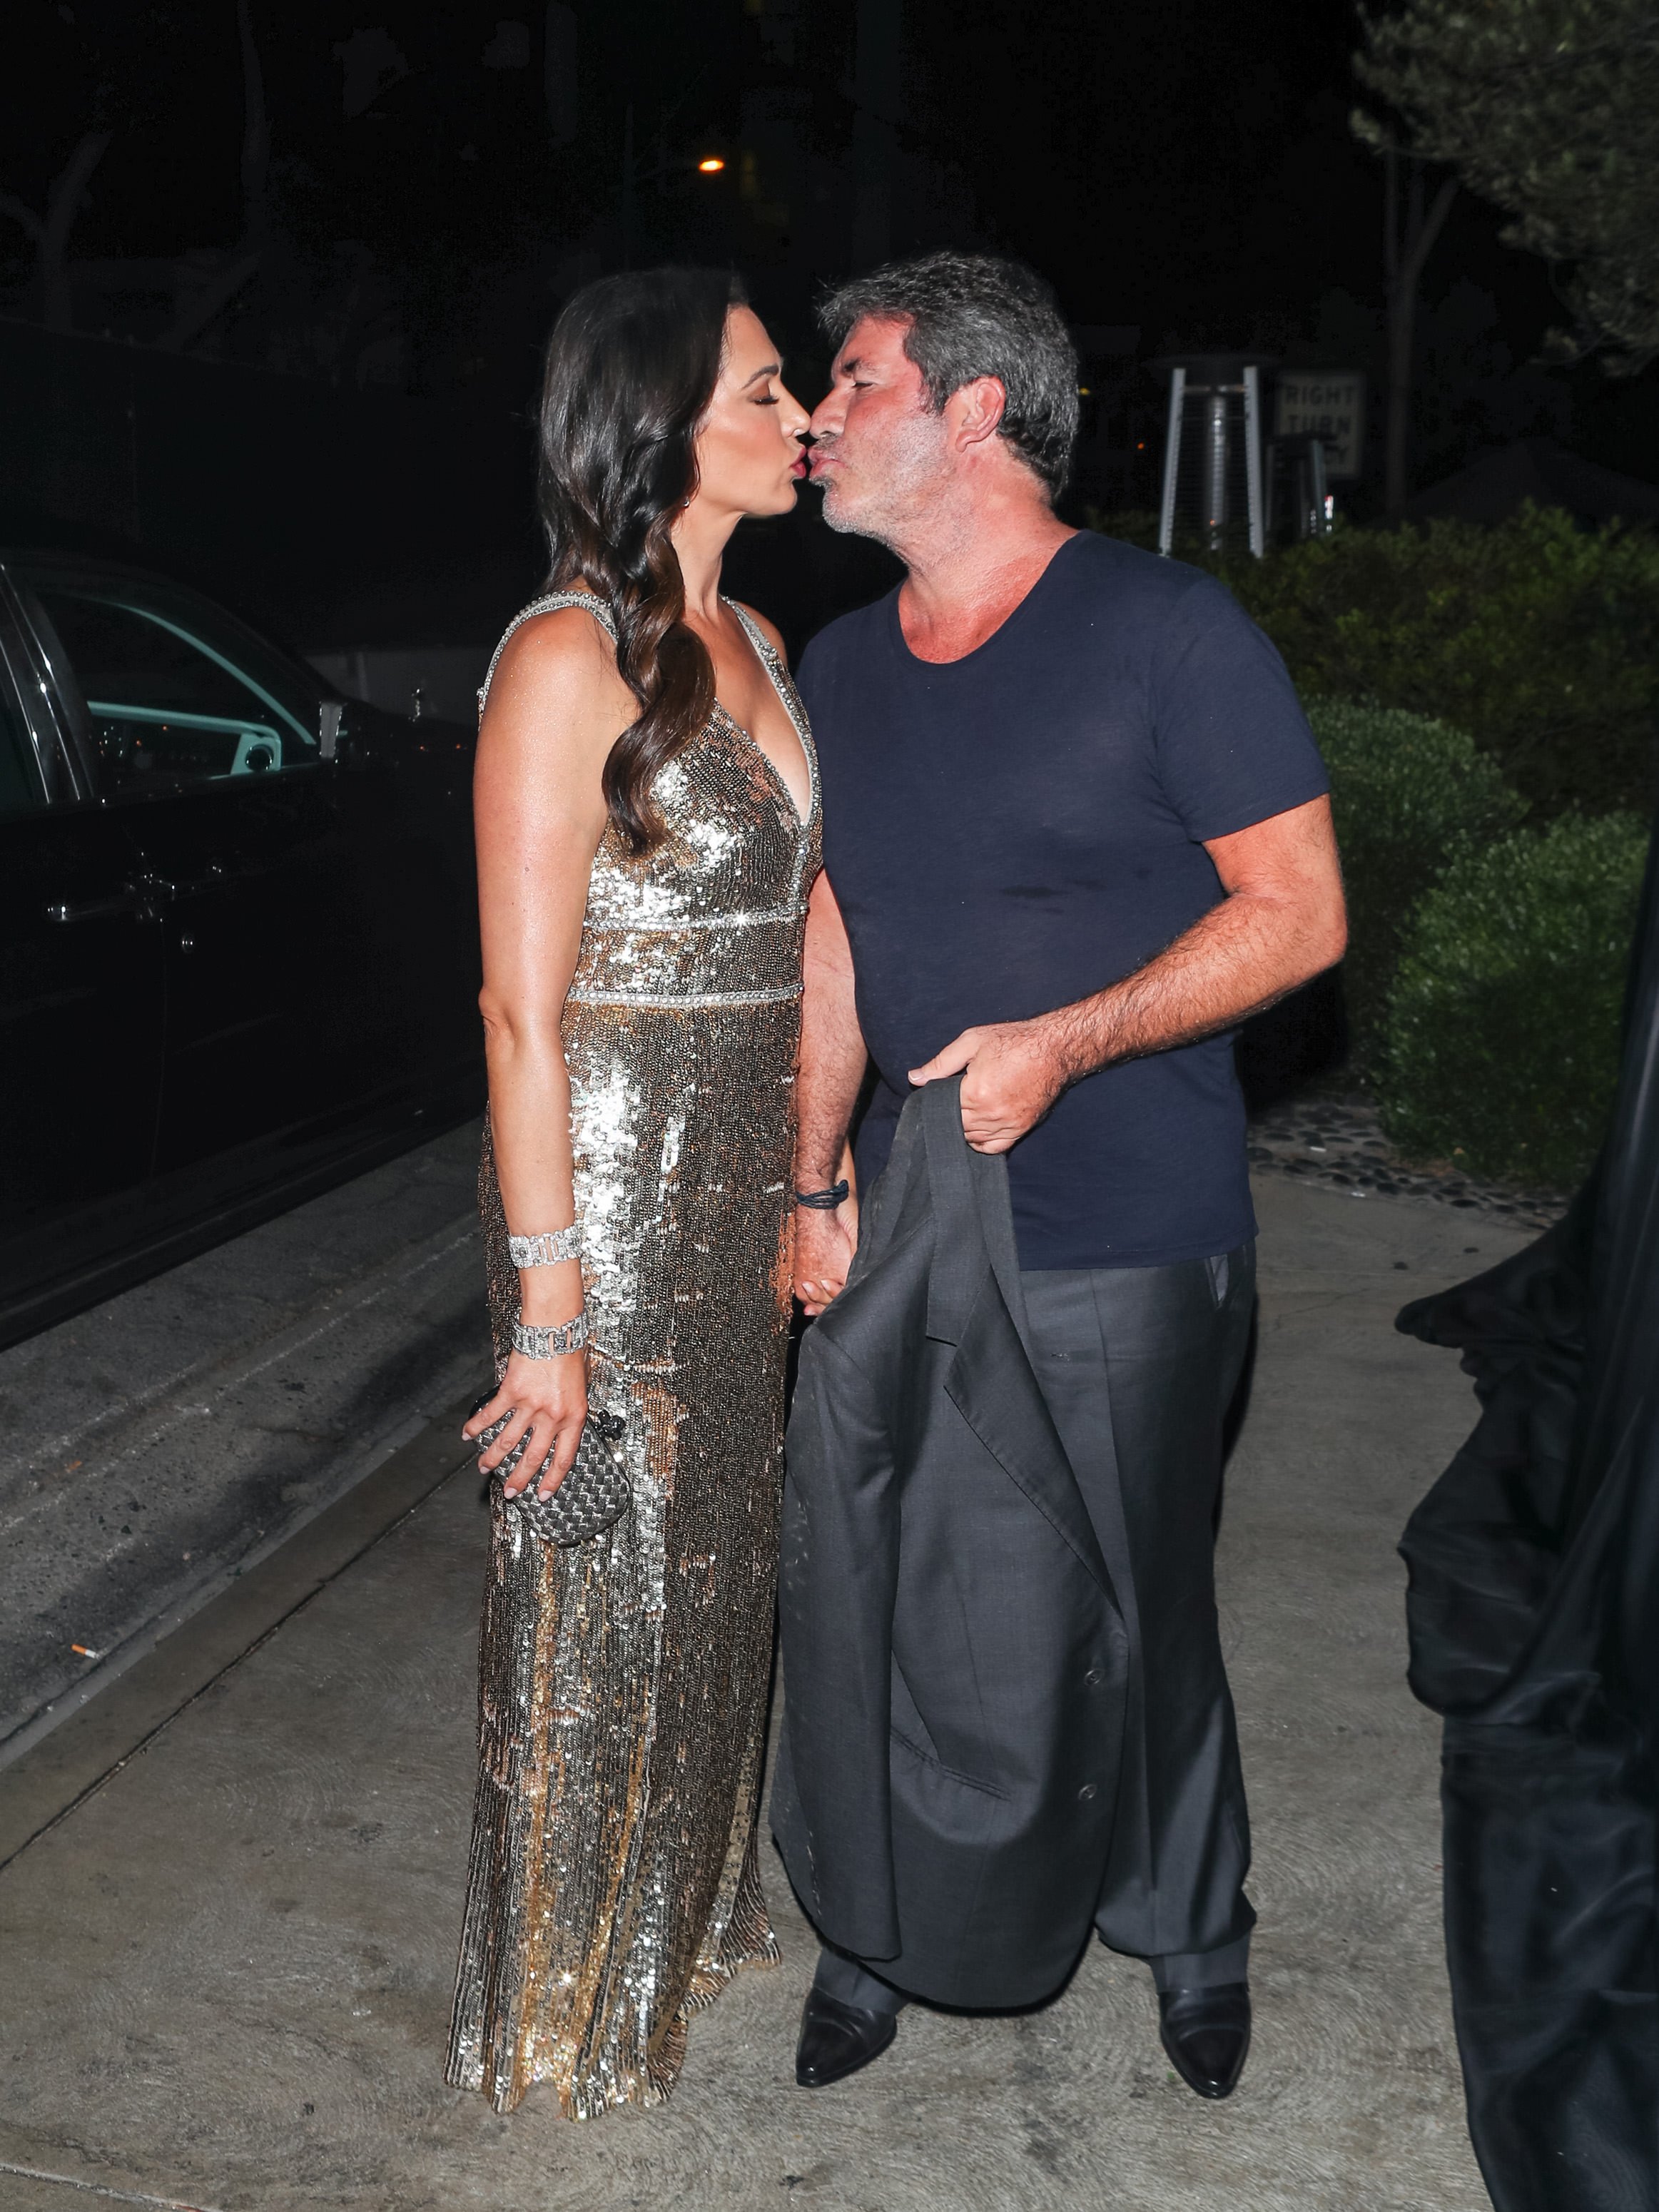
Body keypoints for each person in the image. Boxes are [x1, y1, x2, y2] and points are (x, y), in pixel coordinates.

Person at [778, 251, 1347, 2097]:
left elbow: (1302, 915)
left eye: (853, 380)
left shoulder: (1168, 634)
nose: (819, 415)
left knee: (1137, 1590)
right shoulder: (846, 670)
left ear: (970, 407)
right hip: (904, 1208)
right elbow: (843, 946)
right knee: (880, 1576)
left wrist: (1072, 1036)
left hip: (1124, 1214)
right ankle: (874, 1926)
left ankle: (1192, 1923)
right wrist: (811, 1172)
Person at [445, 268, 814, 2119]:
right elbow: (522, 1006)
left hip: (741, 1204)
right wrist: (552, 1314)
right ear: (662, 427)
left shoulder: (753, 641)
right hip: (608, 1201)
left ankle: (670, 1931)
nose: (804, 411)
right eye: (766, 388)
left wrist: (811, 1180)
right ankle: (557, 2001)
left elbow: (801, 931)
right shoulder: (562, 656)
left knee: (723, 1578)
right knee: (602, 1611)